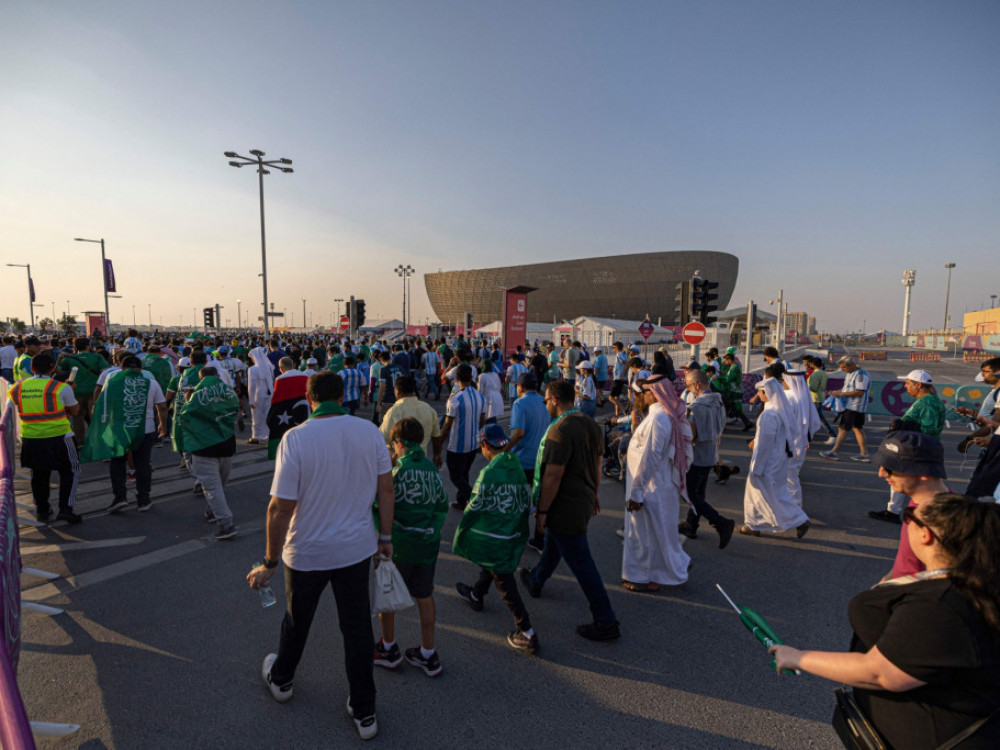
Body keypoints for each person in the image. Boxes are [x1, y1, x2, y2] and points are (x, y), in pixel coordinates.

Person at [771, 493, 1000, 750]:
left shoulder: (941, 603)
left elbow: (881, 672)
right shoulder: (970, 583)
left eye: (908, 517)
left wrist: (798, 657)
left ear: (926, 534)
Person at [247, 371, 394, 741]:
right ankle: (364, 711)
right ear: (342, 395)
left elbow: (279, 509)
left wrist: (269, 560)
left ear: (309, 399)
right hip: (356, 548)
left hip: (307, 552)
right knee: (358, 628)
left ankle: (282, 680)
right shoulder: (369, 432)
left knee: (298, 621)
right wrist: (386, 537)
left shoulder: (295, 439)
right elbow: (386, 489)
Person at [519, 380, 620, 641]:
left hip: (565, 505)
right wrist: (595, 492)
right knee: (556, 543)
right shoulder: (589, 424)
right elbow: (597, 465)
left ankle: (606, 620)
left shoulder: (559, 430)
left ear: (554, 400)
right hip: (583, 499)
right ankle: (537, 579)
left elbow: (553, 476)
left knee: (582, 562)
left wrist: (541, 512)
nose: (544, 405)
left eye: (545, 401)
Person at [373, 418, 448, 677]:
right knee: (424, 596)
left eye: (393, 445)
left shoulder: (397, 471)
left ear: (399, 443)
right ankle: (428, 653)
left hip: (399, 546)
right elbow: (441, 506)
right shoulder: (432, 471)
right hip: (427, 544)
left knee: (388, 596)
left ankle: (389, 648)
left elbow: (379, 504)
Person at [454, 424, 538, 654]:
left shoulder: (489, 473)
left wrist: (465, 528)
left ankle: (527, 631)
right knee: (493, 565)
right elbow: (524, 498)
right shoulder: (515, 466)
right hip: (511, 530)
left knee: (504, 580)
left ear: (484, 445)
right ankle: (476, 593)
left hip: (495, 533)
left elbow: (476, 505)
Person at [621, 374, 692, 591]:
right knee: (658, 533)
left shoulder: (659, 419)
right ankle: (668, 569)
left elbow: (650, 457)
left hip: (652, 487)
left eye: (644, 392)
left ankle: (648, 577)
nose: (641, 396)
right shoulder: (660, 416)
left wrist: (636, 493)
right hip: (655, 486)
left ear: (655, 393)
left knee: (647, 535)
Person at [82, 355, 167, 513]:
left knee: (118, 462)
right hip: (145, 429)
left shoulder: (112, 382)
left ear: (121, 368)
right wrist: (163, 424)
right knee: (142, 464)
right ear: (141, 369)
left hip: (119, 429)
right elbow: (161, 407)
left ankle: (120, 498)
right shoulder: (151, 383)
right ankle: (143, 499)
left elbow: (103, 404)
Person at [6, 352, 82, 523]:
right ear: (53, 368)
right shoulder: (61, 388)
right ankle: (66, 508)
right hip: (60, 437)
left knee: (39, 474)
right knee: (70, 471)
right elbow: (75, 411)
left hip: (31, 437)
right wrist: (70, 390)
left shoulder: (16, 388)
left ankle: (42, 509)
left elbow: (12, 406)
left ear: (31, 368)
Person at [869, 370, 947, 524]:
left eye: (908, 383)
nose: (905, 387)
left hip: (918, 449)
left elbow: (929, 429)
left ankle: (927, 514)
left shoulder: (928, 403)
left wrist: (905, 426)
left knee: (911, 480)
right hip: (918, 447)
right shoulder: (926, 400)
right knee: (901, 478)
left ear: (918, 385)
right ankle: (894, 510)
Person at [871, 431, 950, 581]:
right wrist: (889, 578)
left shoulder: (945, 519)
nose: (881, 474)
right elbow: (909, 559)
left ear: (924, 472)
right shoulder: (918, 502)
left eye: (889, 468)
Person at [739, 378, 810, 538]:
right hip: (778, 460)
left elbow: (764, 444)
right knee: (771, 494)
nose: (758, 395)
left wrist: (757, 467)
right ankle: (753, 524)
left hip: (766, 462)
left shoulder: (769, 415)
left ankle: (798, 520)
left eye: (760, 392)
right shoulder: (780, 411)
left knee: (764, 494)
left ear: (766, 393)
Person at [678, 368, 736, 548]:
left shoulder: (695, 408)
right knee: (698, 493)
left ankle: (720, 522)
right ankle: (691, 525)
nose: (687, 389)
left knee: (689, 494)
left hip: (696, 457)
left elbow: (691, 436)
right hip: (710, 454)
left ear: (696, 385)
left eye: (688, 386)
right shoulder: (718, 401)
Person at [439, 364, 486, 511]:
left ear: (457, 378)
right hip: (473, 443)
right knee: (464, 473)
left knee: (455, 476)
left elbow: (447, 425)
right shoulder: (480, 396)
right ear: (471, 377)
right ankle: (461, 501)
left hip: (457, 445)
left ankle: (475, 498)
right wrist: (480, 440)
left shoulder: (455, 398)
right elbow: (483, 421)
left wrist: (438, 443)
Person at [378, 375, 442, 463]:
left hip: (401, 465)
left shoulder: (394, 411)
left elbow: (381, 440)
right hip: (422, 462)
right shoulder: (428, 409)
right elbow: (436, 437)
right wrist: (437, 454)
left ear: (397, 391)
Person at [57, 337, 108, 447]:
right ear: (88, 346)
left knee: (77, 418)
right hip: (94, 392)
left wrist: (59, 359)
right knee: (95, 418)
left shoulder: (70, 359)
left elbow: (60, 372)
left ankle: (79, 442)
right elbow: (104, 372)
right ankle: (96, 442)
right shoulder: (97, 357)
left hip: (76, 392)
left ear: (75, 347)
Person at [820, 356, 871, 462]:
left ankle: (834, 452)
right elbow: (846, 389)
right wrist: (837, 392)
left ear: (851, 365)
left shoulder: (861, 374)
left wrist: (842, 394)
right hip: (852, 406)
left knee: (843, 428)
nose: (843, 370)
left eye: (844, 368)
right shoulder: (850, 374)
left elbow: (860, 391)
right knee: (857, 429)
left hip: (854, 406)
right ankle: (864, 454)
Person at [804, 355, 836, 443]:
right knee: (812, 417)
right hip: (819, 397)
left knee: (820, 418)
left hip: (814, 398)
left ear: (813, 364)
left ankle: (832, 434)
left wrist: (805, 386)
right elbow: (822, 387)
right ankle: (808, 434)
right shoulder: (822, 373)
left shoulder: (815, 374)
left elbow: (812, 387)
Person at [719, 352, 753, 431]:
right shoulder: (733, 367)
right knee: (733, 408)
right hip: (734, 391)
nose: (725, 363)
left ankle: (748, 423)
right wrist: (724, 374)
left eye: (726, 361)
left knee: (734, 409)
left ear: (729, 360)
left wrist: (719, 378)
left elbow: (729, 379)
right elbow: (729, 376)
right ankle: (747, 423)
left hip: (735, 391)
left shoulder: (734, 367)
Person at [247, 346, 273, 445]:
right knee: (268, 415)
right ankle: (268, 435)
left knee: (257, 416)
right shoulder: (269, 367)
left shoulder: (253, 369)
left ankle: (257, 436)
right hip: (269, 394)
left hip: (258, 395)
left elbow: (252, 386)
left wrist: (251, 400)